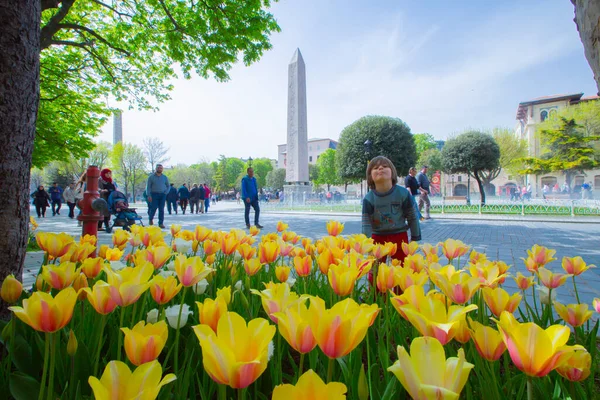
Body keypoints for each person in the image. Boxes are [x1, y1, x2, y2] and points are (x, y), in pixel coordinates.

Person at [362, 156, 421, 284]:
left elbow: (412, 216)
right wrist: (366, 244)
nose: (380, 168)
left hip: (399, 236)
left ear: (392, 173)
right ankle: (374, 296)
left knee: (402, 269)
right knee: (375, 269)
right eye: (375, 168)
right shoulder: (368, 198)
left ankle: (401, 297)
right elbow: (366, 223)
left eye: (384, 166)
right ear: (370, 176)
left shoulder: (403, 194)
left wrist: (415, 238)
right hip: (377, 238)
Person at [145, 164, 170, 228]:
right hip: (154, 194)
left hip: (162, 195)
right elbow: (148, 187)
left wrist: (166, 192)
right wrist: (149, 195)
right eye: (158, 168)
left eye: (161, 168)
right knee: (153, 208)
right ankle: (150, 219)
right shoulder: (151, 177)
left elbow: (168, 186)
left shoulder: (164, 177)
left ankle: (161, 223)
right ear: (156, 169)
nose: (160, 169)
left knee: (161, 209)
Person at [98, 168, 116, 233]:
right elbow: (97, 188)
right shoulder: (100, 180)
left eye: (109, 173)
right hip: (103, 197)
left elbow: (114, 187)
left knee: (108, 212)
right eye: (107, 173)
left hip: (110, 197)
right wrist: (102, 191)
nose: (109, 175)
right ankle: (103, 225)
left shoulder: (110, 181)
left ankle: (105, 225)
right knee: (103, 212)